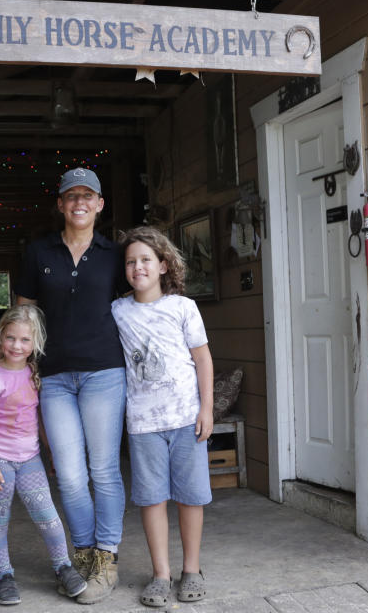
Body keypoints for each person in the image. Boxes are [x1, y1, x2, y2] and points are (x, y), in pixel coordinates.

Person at [14, 167, 127, 604]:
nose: (79, 202)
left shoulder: (115, 255)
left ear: (100, 204)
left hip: (104, 372)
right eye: (71, 196)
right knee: (70, 473)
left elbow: (135, 309)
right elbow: (25, 315)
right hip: (55, 377)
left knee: (103, 469)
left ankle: (107, 557)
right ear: (60, 204)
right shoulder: (38, 251)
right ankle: (83, 555)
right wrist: (13, 370)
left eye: (88, 196)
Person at [110, 226, 214, 607]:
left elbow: (202, 359)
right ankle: (160, 574)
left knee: (190, 497)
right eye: (130, 262)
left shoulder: (183, 307)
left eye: (145, 260)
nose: (138, 267)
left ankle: (191, 569)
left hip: (187, 419)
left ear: (163, 265)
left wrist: (206, 409)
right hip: (143, 425)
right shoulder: (119, 311)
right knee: (152, 499)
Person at [0, 304, 87, 606]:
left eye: (25, 340)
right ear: (0, 336)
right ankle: (3, 575)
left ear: (34, 343)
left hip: (29, 459)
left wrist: (49, 453)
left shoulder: (34, 373)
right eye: (10, 338)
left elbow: (38, 419)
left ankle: (63, 566)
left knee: (47, 515)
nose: (16, 346)